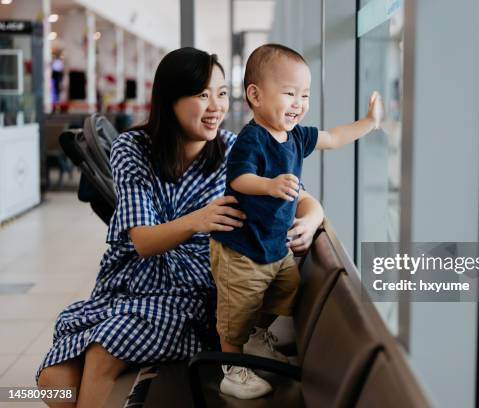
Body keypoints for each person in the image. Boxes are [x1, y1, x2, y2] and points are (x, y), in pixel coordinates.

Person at [35, 47, 324, 408]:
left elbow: (301, 198)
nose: (216, 107)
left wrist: (313, 218)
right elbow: (142, 241)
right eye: (203, 95)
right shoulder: (132, 148)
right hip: (132, 278)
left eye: (221, 93)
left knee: (102, 351)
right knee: (52, 383)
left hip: (192, 288)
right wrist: (199, 219)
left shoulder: (235, 150)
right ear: (170, 99)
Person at [209, 43, 383, 399]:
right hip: (241, 251)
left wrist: (368, 123)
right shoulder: (251, 139)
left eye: (304, 95)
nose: (299, 103)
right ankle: (232, 366)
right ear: (255, 95)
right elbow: (240, 180)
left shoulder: (297, 136)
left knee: (283, 291)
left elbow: (334, 138)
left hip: (273, 248)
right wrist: (270, 185)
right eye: (289, 93)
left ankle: (258, 340)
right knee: (237, 310)